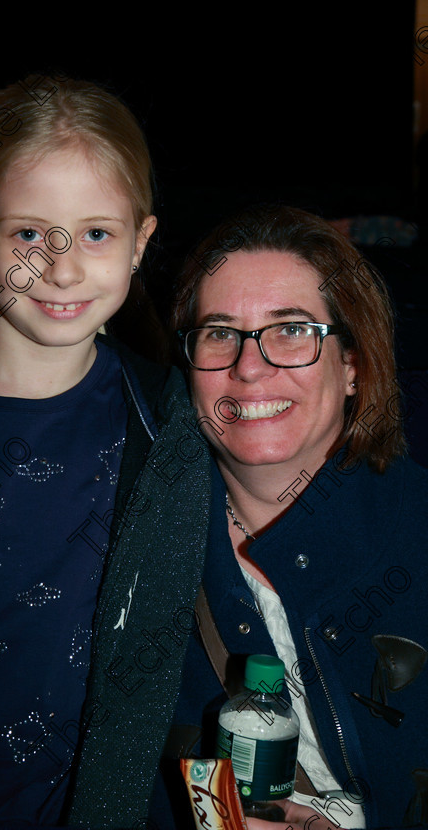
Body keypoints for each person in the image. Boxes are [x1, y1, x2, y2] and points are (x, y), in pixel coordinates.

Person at [0, 72, 212, 828]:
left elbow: (149, 668)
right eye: (29, 233)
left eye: (95, 233)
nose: (61, 268)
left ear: (139, 244)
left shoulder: (170, 430)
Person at [156, 204, 428, 830]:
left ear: (353, 365)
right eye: (220, 332)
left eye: (292, 330)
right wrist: (222, 819)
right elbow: (140, 764)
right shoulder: (143, 549)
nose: (250, 367)